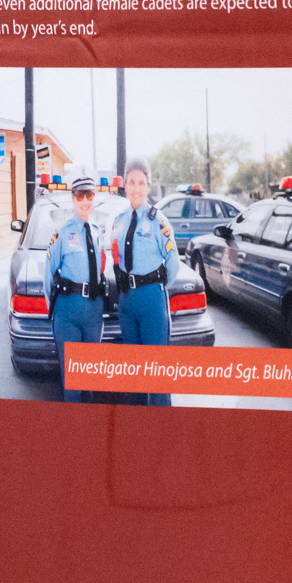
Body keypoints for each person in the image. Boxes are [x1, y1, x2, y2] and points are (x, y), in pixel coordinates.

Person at [113, 162, 178, 406]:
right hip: (127, 302)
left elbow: (173, 262)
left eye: (141, 183)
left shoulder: (158, 221)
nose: (136, 188)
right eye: (132, 182)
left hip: (152, 300)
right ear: (125, 186)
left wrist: (156, 290)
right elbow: (116, 258)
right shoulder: (118, 221)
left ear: (148, 187)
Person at [43, 178, 111, 403]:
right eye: (79, 196)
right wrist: (54, 313)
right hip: (68, 311)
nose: (84, 201)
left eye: (89, 195)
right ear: (73, 198)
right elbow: (48, 273)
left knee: (90, 380)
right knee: (73, 384)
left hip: (93, 312)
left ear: (94, 198)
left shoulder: (96, 231)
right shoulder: (62, 232)